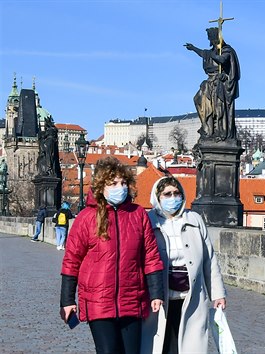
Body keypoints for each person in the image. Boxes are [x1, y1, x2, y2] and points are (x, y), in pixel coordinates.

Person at [60, 156, 164, 354]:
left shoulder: (137, 214)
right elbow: (71, 261)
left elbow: (150, 255)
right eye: (114, 183)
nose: (120, 187)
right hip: (98, 299)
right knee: (108, 351)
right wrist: (67, 300)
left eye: (123, 183)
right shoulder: (86, 217)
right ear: (101, 186)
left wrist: (156, 292)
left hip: (131, 297)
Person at [141, 176, 226, 354]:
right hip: (160, 295)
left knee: (189, 343)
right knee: (162, 342)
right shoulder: (148, 220)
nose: (173, 198)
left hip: (191, 293)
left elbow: (209, 259)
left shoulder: (194, 219)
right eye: (167, 194)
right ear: (158, 197)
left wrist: (217, 294)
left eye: (176, 193)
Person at [185, 27, 240, 141]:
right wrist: (193, 48)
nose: (210, 40)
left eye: (211, 38)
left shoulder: (227, 50)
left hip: (221, 85)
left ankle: (220, 131)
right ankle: (207, 127)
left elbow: (222, 60)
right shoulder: (211, 52)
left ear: (216, 38)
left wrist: (215, 52)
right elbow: (203, 53)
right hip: (209, 83)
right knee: (198, 99)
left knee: (218, 108)